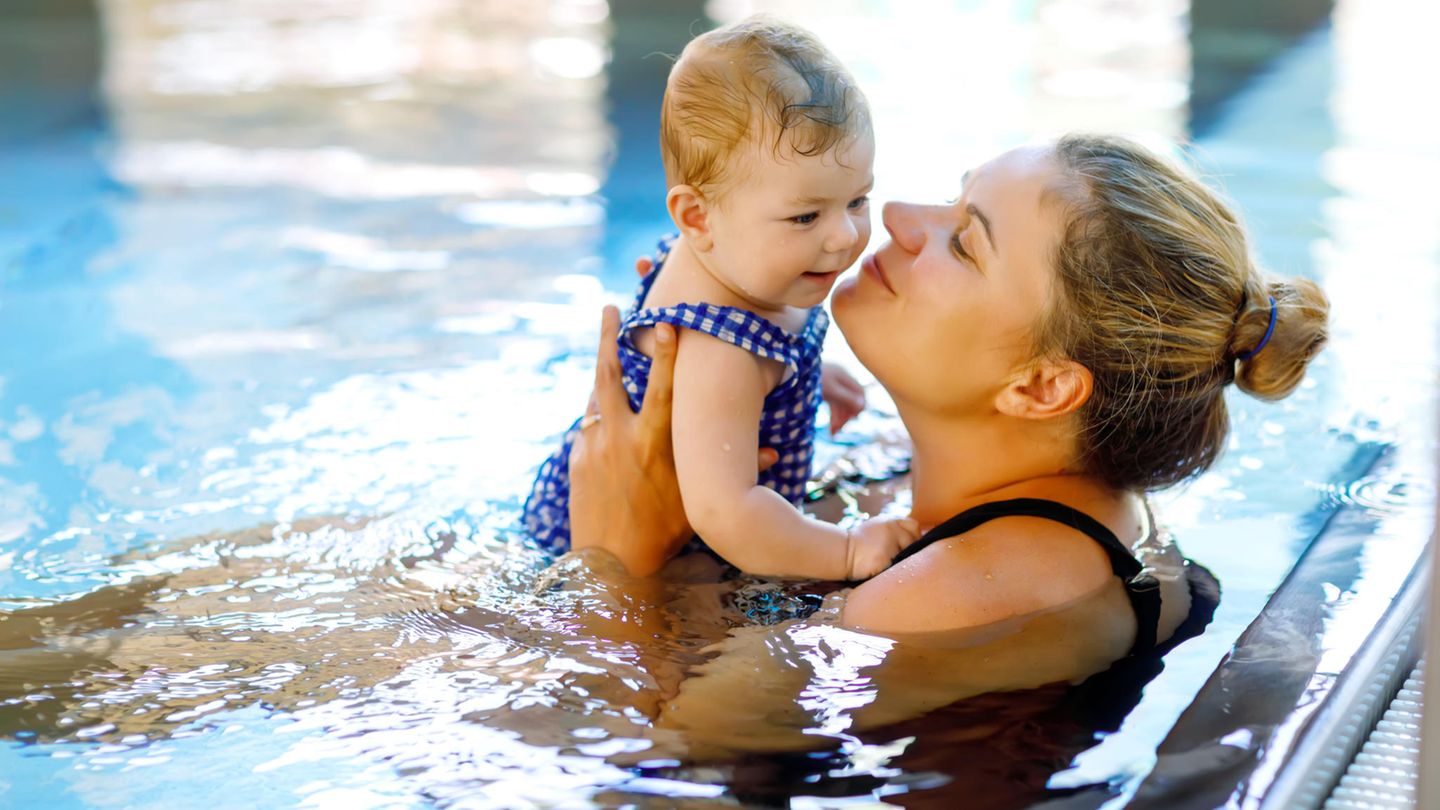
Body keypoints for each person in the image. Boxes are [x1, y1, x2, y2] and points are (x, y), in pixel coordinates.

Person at [568, 133, 1329, 665]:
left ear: (1041, 385)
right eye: (952, 200)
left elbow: (667, 769)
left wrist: (612, 563)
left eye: (965, 241)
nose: (897, 217)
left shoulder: (962, 594)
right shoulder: (964, 497)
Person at [523, 16, 919, 581]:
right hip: (638, 559)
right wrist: (849, 551)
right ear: (697, 216)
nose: (845, 236)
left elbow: (760, 363)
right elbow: (725, 513)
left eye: (857, 200)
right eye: (806, 215)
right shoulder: (720, 352)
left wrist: (804, 373)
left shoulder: (733, 256)